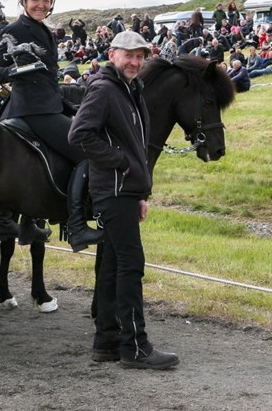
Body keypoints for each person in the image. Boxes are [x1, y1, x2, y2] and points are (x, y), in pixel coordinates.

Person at [68, 30, 179, 370]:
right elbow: (79, 135)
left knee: (113, 265)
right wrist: (121, 163)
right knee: (130, 265)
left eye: (140, 56)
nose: (134, 62)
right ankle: (135, 346)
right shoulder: (104, 89)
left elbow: (138, 144)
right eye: (128, 55)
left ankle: (107, 342)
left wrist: (141, 192)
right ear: (113, 55)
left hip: (125, 191)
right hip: (113, 190)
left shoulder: (131, 89)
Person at [0, 0, 95, 251]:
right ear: (23, 0)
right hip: (33, 110)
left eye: (46, 0)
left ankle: (29, 221)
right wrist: (16, 70)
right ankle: (78, 226)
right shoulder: (14, 30)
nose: (42, 5)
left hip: (49, 104)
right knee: (87, 151)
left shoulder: (46, 30)